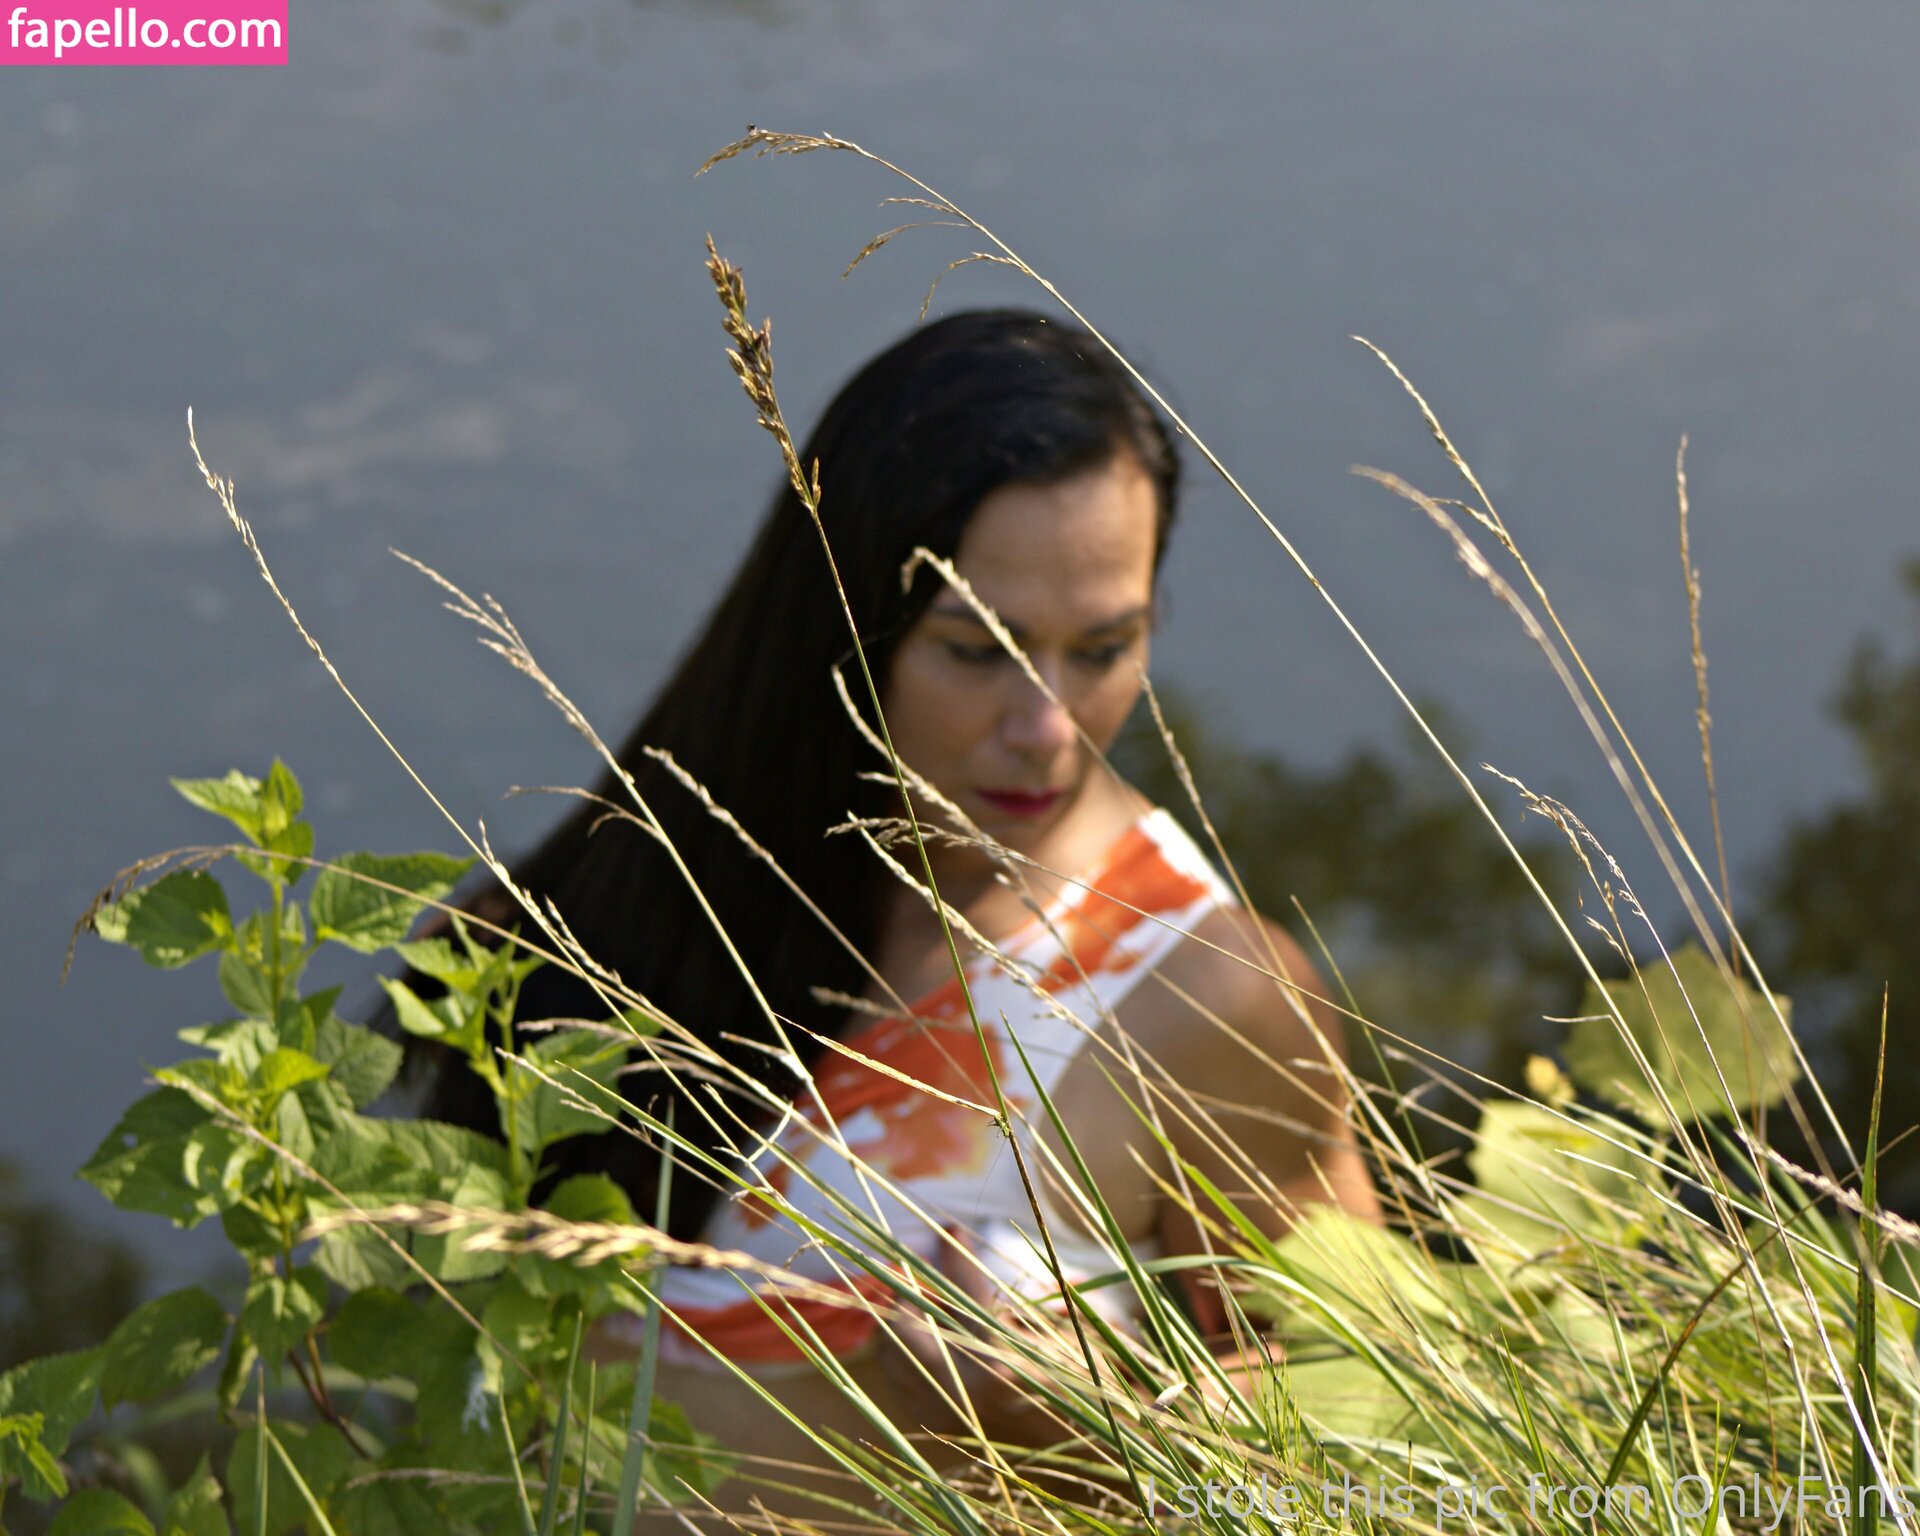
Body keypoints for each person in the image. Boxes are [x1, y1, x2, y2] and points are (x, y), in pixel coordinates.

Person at [399, 308, 1379, 1524]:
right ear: (845, 621)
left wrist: (1093, 1424)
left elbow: (1366, 1424)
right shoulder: (610, 911)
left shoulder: (1203, 990)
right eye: (978, 649)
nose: (1047, 728)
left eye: (1104, 648)